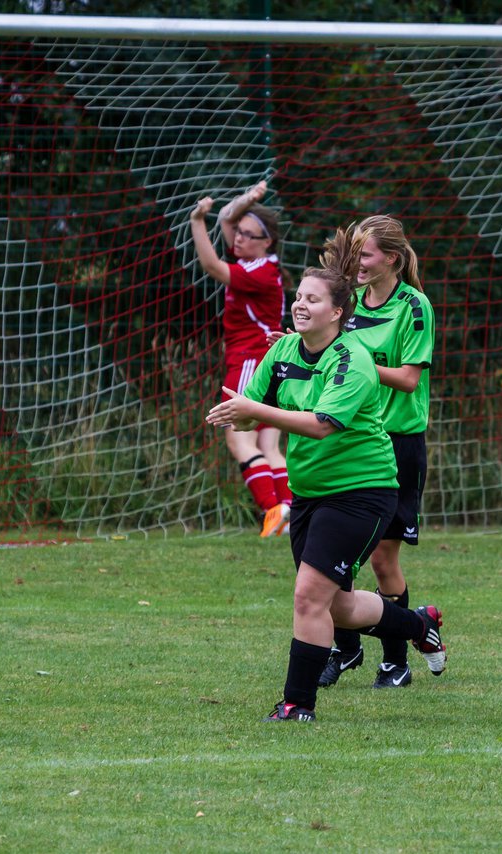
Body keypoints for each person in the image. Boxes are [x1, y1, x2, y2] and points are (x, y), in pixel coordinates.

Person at [205, 226, 446, 722]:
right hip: (311, 491)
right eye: (298, 297)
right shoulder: (284, 351)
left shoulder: (352, 358)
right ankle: (417, 625)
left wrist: (257, 412)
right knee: (335, 606)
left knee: (308, 596)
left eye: (312, 299)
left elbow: (320, 426)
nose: (299, 305)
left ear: (338, 312)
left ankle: (297, 704)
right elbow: (257, 409)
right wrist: (239, 413)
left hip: (361, 491)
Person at [318, 214, 437, 691]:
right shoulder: (348, 304)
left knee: (381, 561)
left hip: (397, 445)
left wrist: (358, 360)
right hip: (353, 440)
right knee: (334, 555)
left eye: (365, 255)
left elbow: (409, 378)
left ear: (390, 257)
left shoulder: (414, 306)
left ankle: (394, 662)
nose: (357, 264)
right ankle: (345, 649)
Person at [190, 181, 292, 537]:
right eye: (240, 234)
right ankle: (289, 512)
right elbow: (227, 219)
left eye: (249, 235)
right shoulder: (260, 263)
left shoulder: (258, 271)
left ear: (267, 242)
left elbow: (212, 265)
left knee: (239, 441)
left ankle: (272, 512)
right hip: (269, 361)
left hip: (252, 361)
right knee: (267, 446)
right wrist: (248, 199)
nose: (240, 239)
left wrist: (195, 222)